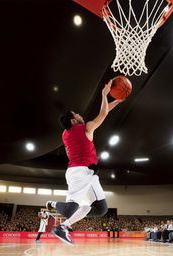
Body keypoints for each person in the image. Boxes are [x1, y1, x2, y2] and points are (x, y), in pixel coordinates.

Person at [46, 80, 123, 245]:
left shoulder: (65, 135)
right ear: (73, 121)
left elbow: (103, 112)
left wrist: (117, 101)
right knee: (70, 208)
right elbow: (102, 115)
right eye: (77, 114)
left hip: (87, 173)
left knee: (100, 209)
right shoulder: (85, 128)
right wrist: (104, 94)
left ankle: (64, 226)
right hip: (80, 172)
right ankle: (53, 205)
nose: (80, 115)